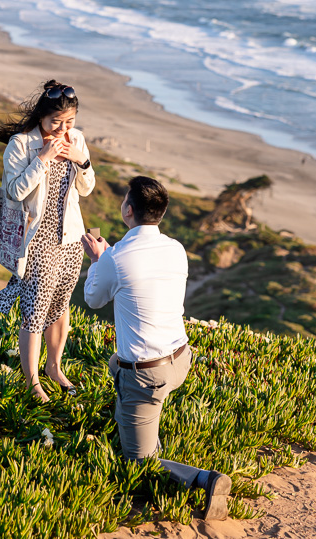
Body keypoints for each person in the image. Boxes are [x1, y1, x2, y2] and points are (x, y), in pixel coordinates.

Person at [81, 176, 232, 522]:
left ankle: (204, 481)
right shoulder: (176, 248)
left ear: (128, 210)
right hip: (180, 358)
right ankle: (137, 419)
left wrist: (97, 260)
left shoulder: (115, 258)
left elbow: (93, 299)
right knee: (115, 364)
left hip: (147, 376)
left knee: (137, 461)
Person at [0, 80, 95, 402]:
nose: (63, 129)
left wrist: (81, 159)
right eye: (56, 123)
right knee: (35, 310)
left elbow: (87, 188)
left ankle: (54, 367)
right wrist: (43, 159)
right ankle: (32, 380)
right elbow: (14, 192)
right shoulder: (21, 144)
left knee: (61, 307)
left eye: (69, 123)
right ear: (41, 118)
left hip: (70, 238)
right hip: (36, 240)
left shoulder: (76, 140)